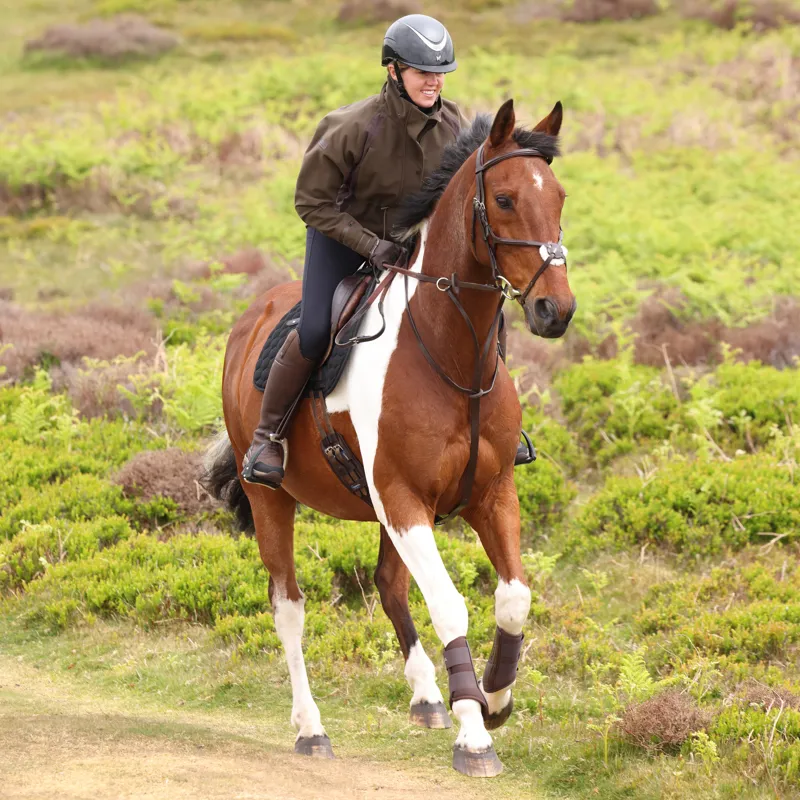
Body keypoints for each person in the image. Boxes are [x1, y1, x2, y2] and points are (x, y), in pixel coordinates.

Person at [242, 14, 531, 490]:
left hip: (412, 248)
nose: (433, 81)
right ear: (394, 71)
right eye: (422, 71)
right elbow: (311, 203)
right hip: (343, 241)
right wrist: (371, 245)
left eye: (440, 72)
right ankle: (267, 436)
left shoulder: (455, 123)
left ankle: (498, 426)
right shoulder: (349, 127)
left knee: (486, 314)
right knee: (315, 330)